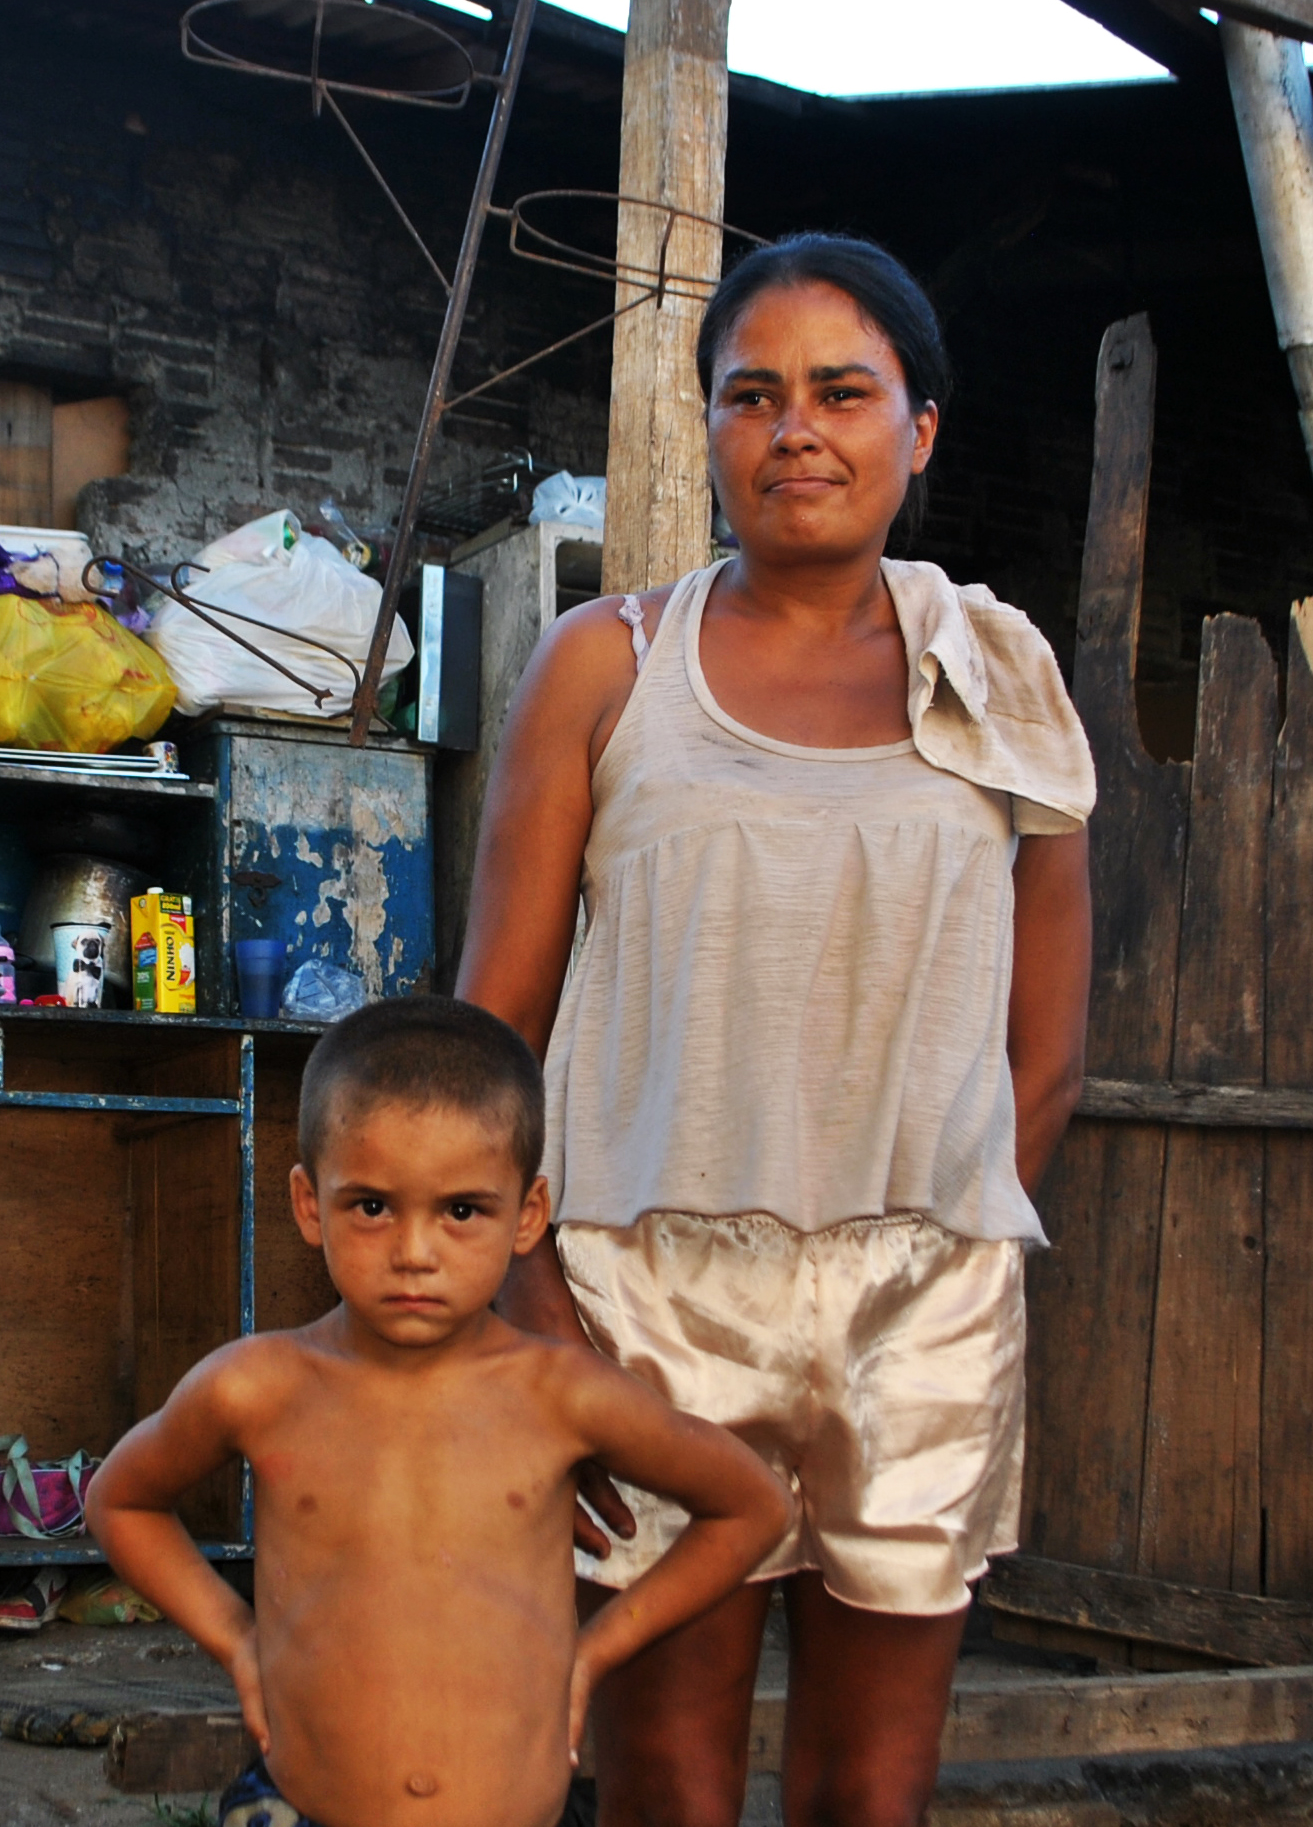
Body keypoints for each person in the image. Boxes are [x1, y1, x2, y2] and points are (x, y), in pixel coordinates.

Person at [458, 233, 1096, 1827]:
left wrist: (948, 1257)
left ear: (919, 428)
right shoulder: (608, 666)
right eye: (752, 394)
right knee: (664, 1779)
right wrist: (535, 1309)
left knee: (871, 1794)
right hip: (644, 1296)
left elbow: (1049, 1045)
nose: (794, 428)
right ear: (710, 431)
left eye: (840, 390)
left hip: (923, 1297)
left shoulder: (999, 673)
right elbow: (489, 1035)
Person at [89, 995, 794, 1827]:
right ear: (310, 1205)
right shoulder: (258, 1387)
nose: (415, 1253)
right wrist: (238, 1641)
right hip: (306, 1806)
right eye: (373, 1206)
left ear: (527, 1216)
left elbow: (750, 1505)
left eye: (462, 1211)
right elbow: (121, 1499)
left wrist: (593, 1653)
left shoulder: (562, 1393)